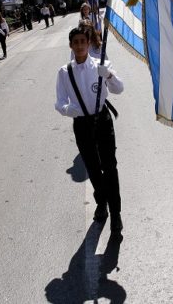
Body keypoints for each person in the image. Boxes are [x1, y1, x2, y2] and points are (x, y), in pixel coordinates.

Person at [55, 27, 124, 234]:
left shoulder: (100, 65)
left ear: (88, 43)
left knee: (110, 167)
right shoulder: (64, 72)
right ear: (71, 45)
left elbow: (119, 89)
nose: (79, 45)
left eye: (82, 41)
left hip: (102, 120)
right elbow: (60, 103)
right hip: (82, 124)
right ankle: (101, 203)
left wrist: (109, 75)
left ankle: (116, 213)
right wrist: (71, 110)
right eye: (75, 42)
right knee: (93, 168)